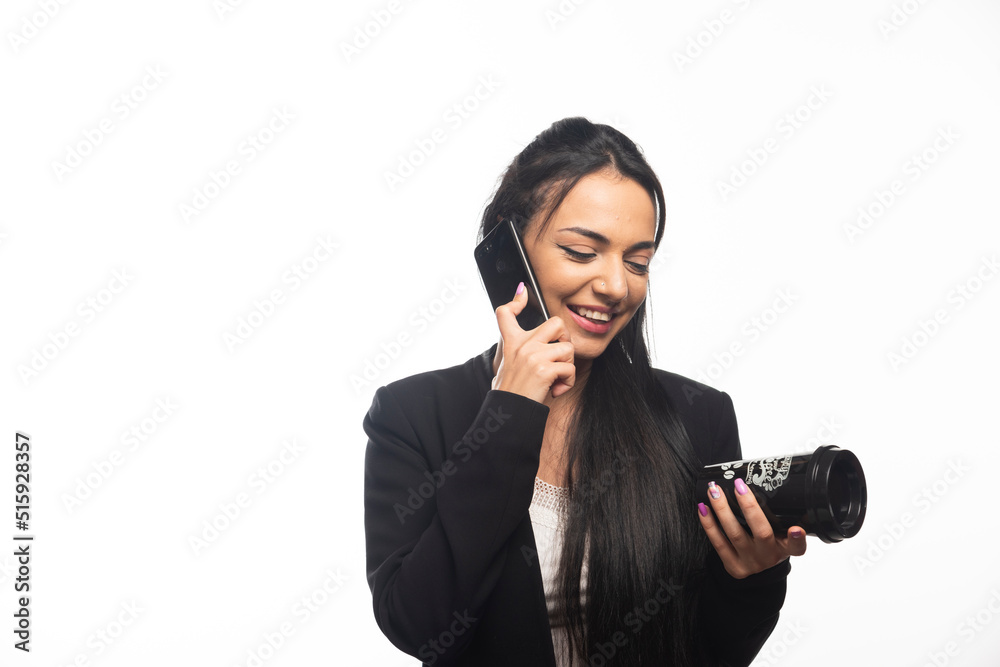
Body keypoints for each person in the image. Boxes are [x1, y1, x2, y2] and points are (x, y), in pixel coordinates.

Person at [363, 117, 807, 666]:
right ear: (508, 246)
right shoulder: (413, 415)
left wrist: (753, 579)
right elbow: (420, 623)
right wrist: (512, 410)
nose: (617, 286)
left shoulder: (699, 418)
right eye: (581, 251)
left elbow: (712, 652)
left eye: (637, 261)